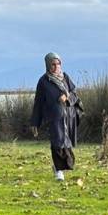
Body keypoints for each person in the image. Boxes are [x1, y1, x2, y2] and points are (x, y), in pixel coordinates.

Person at [30, 52, 80, 181]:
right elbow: (38, 103)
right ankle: (59, 170)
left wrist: (67, 97)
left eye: (58, 63)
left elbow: (75, 94)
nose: (56, 66)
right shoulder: (43, 81)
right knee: (57, 143)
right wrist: (35, 122)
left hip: (68, 117)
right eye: (53, 64)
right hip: (54, 118)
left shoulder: (65, 77)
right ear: (48, 65)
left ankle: (59, 167)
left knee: (67, 144)